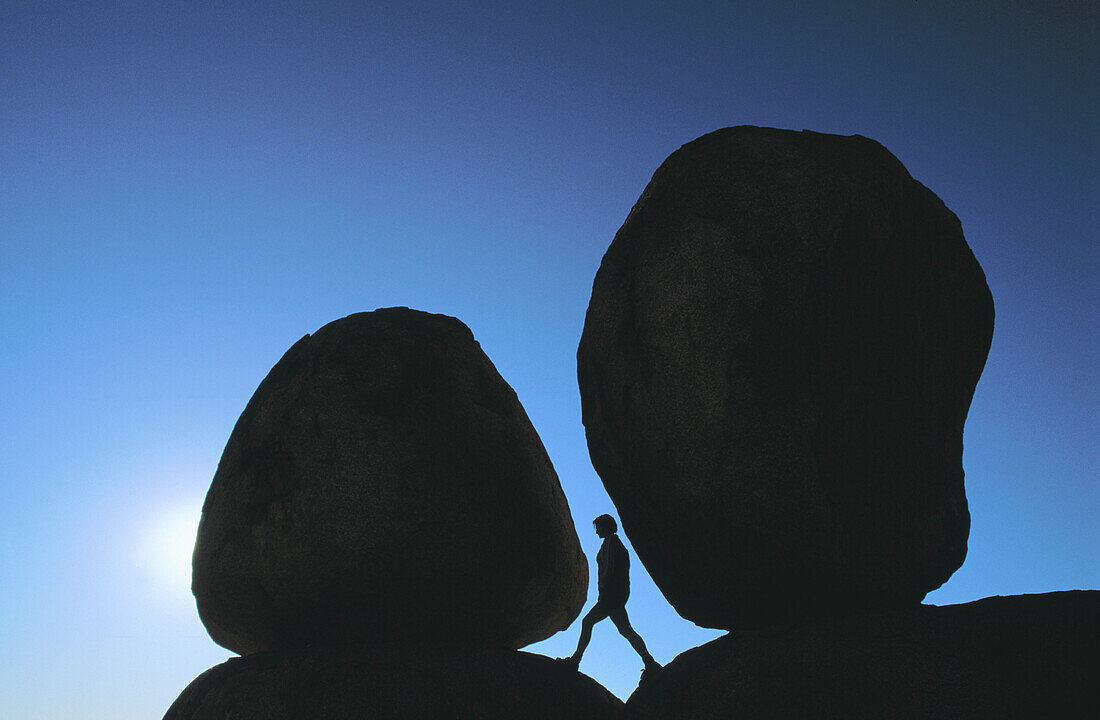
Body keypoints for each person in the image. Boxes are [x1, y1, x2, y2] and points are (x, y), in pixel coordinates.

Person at [560, 514, 660, 677]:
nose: (596, 530)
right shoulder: (611, 543)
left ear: (605, 526)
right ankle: (650, 662)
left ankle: (575, 661)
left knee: (588, 622)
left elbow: (611, 569)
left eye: (598, 527)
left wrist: (606, 591)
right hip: (613, 596)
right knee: (626, 631)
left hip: (610, 596)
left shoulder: (613, 544)